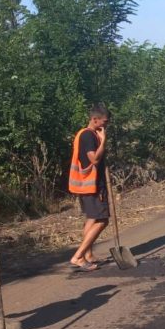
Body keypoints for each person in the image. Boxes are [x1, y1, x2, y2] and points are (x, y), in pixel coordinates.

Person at [68, 104, 110, 272]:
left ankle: (88, 255)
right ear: (94, 119)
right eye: (104, 122)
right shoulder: (88, 136)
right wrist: (104, 141)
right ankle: (78, 256)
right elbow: (94, 160)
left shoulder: (88, 134)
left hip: (88, 185)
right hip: (92, 185)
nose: (105, 125)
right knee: (102, 220)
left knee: (92, 219)